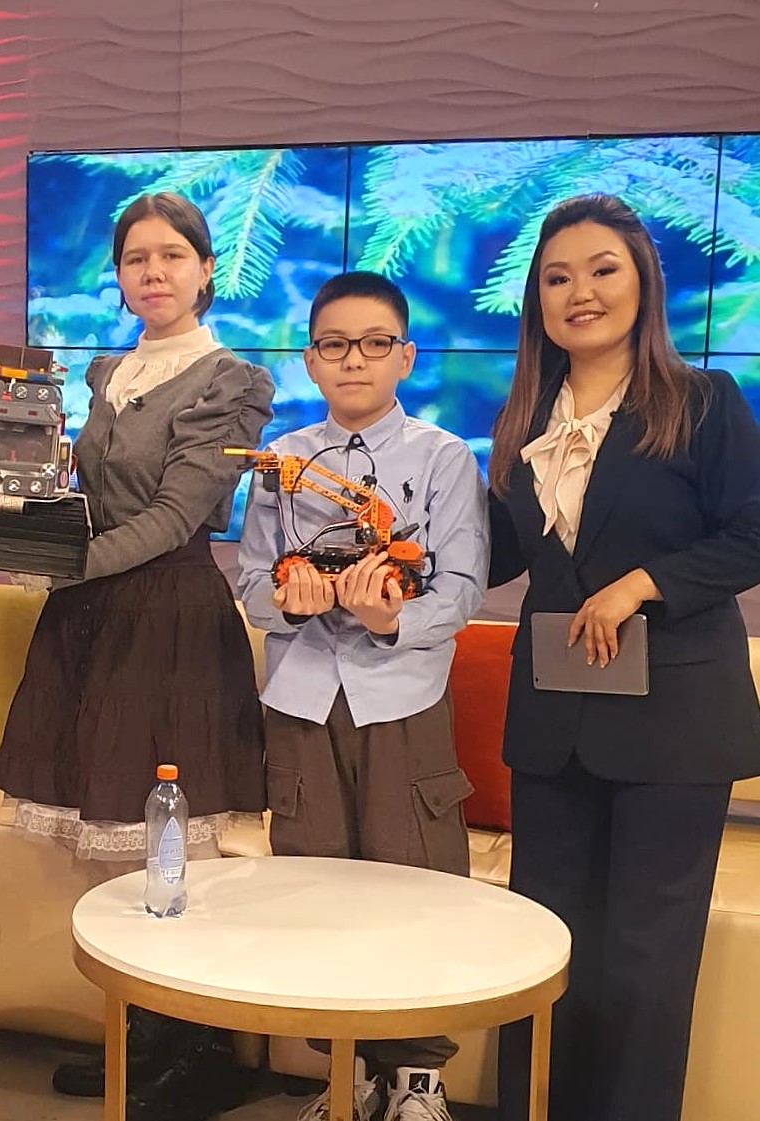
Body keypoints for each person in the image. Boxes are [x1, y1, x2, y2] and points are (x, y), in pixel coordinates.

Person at [0, 191, 273, 1121]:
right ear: (118, 274)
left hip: (168, 620)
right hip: (89, 621)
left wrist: (57, 565)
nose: (154, 272)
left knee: (168, 843)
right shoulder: (106, 370)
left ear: (205, 269)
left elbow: (177, 515)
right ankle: (146, 1032)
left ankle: (202, 1052)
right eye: (136, 258)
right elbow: (83, 493)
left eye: (172, 255)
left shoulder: (232, 380)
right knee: (109, 844)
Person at [487, 194, 760, 1121]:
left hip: (673, 727)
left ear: (642, 281)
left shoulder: (701, 402)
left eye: (602, 269)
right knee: (540, 945)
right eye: (556, 277)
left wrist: (643, 582)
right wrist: (397, 565)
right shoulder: (524, 415)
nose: (580, 292)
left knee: (646, 961)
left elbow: (752, 532)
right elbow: (497, 551)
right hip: (552, 719)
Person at [237, 271, 488, 1121]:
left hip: (402, 697)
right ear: (309, 359)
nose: (354, 359)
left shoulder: (443, 457)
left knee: (415, 875)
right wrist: (290, 600)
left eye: (374, 343)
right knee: (309, 881)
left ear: (404, 356)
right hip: (300, 698)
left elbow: (461, 588)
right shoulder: (277, 462)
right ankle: (340, 1071)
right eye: (334, 345)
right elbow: (252, 582)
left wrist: (391, 618)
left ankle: (416, 1078)